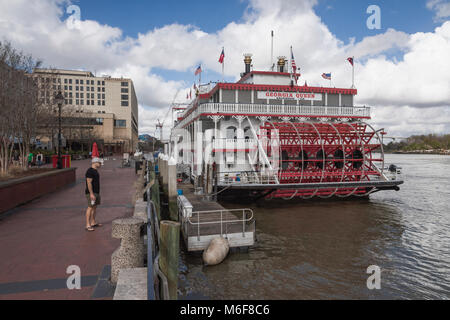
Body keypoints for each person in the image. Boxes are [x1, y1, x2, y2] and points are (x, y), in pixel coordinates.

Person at [85, 157, 103, 232]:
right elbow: (89, 183)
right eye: (99, 163)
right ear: (94, 162)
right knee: (90, 207)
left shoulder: (95, 171)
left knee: (94, 207)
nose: (100, 164)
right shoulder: (90, 171)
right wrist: (91, 194)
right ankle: (87, 224)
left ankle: (93, 222)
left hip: (96, 192)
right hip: (91, 193)